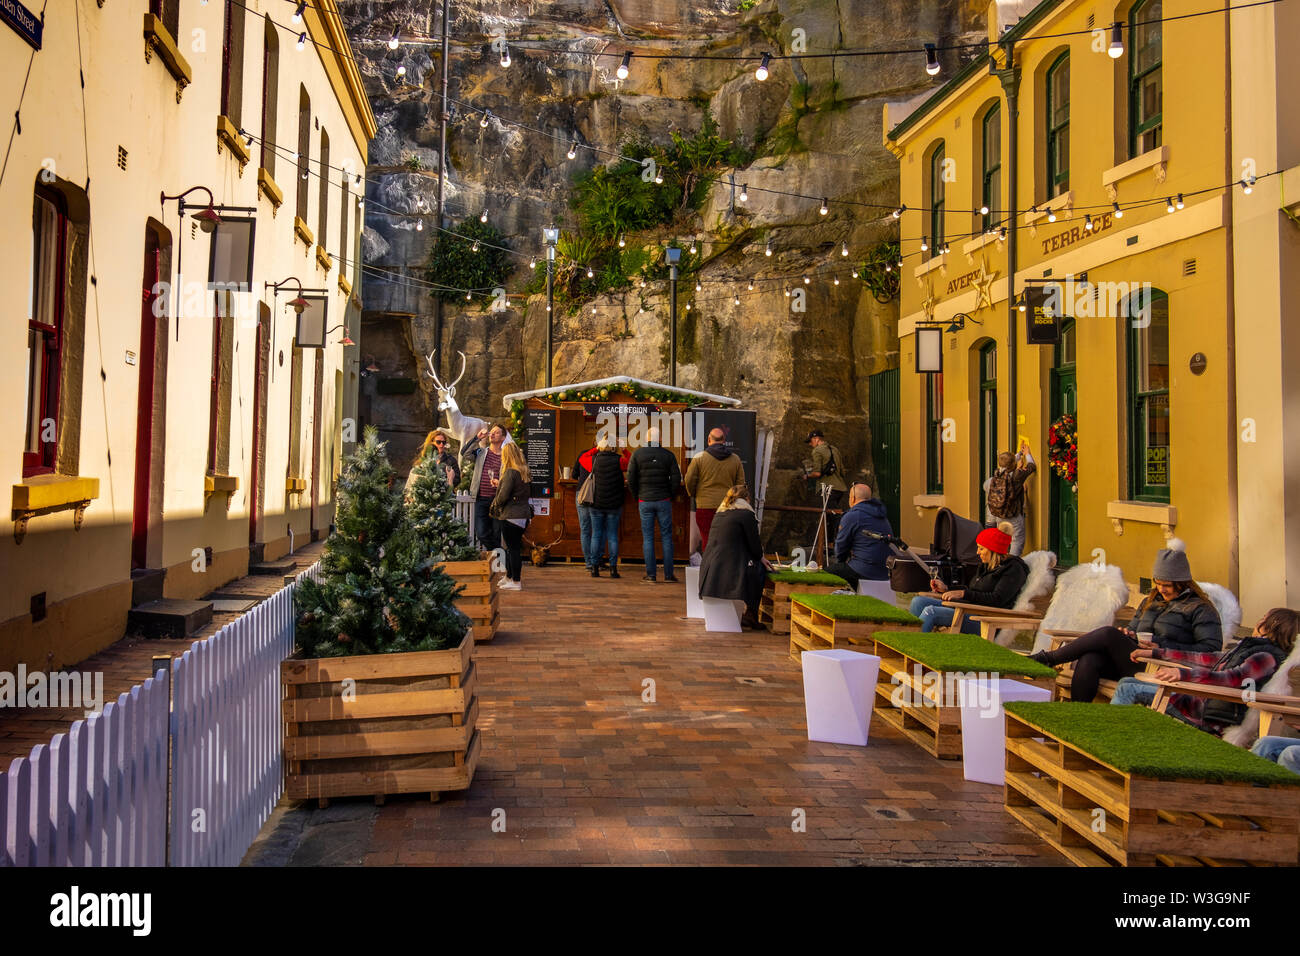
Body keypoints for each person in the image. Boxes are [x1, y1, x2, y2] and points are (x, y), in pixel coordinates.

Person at [1029, 539, 1223, 703]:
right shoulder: (1150, 602)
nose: (1161, 589)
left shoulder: (1200, 609)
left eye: (1168, 585)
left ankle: (1048, 659)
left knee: (1107, 633)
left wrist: (1160, 645)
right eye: (1158, 583)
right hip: (1135, 659)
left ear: (1183, 583)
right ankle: (1079, 719)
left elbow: (1211, 650)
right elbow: (1134, 628)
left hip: (1163, 667)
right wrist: (1128, 633)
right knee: (1090, 659)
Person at [1111, 608, 1299, 731]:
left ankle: (1114, 739)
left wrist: (1184, 675)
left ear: (1270, 626)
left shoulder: (1266, 656)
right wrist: (1158, 653)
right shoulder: (1251, 648)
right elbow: (1207, 659)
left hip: (1206, 712)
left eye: (1262, 618)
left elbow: (1232, 679)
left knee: (1129, 688)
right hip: (1201, 701)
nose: (1258, 622)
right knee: (1127, 682)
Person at [908, 522, 1027, 634]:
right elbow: (972, 591)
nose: (977, 552)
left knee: (931, 612)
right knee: (918, 602)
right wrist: (947, 589)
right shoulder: (986, 566)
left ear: (993, 550)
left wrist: (963, 594)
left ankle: (915, 649)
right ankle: (906, 645)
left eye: (981, 548)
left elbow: (997, 599)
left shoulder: (1013, 570)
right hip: (969, 610)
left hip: (988, 621)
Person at [699, 485, 773, 629]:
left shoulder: (720, 513)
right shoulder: (746, 514)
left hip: (710, 567)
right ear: (747, 499)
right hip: (730, 566)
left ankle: (749, 614)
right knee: (759, 570)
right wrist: (761, 558)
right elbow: (755, 546)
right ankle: (751, 613)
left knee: (754, 566)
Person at [627, 425, 683, 583]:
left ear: (646, 439)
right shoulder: (668, 455)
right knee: (666, 537)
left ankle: (651, 575)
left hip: (645, 500)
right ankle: (668, 575)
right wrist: (670, 495)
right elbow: (676, 478)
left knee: (648, 538)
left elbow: (631, 479)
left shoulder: (637, 454)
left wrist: (637, 495)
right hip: (663, 500)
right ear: (659, 439)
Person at [684, 428, 745, 551]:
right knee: (726, 540)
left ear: (708, 440)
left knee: (707, 539)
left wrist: (694, 494)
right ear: (724, 441)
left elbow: (689, 480)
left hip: (704, 506)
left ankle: (709, 568)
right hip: (727, 506)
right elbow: (740, 485)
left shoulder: (699, 457)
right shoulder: (735, 459)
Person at [826, 483, 893, 591]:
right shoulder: (882, 516)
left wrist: (840, 563)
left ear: (852, 498)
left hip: (865, 570)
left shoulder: (852, 516)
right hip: (884, 571)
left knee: (827, 573)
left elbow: (841, 546)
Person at [489, 442, 532, 591]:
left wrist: (496, 503)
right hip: (522, 515)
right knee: (511, 548)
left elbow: (503, 496)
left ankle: (516, 581)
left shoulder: (510, 472)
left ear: (506, 455)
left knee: (512, 549)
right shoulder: (524, 471)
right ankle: (509, 577)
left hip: (510, 515)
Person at [983, 440, 1037, 556]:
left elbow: (985, 486)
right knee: (1017, 541)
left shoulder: (997, 475)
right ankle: (1012, 565)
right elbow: (1032, 467)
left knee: (1002, 542)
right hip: (1013, 515)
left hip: (999, 515)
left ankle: (999, 564)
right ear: (1014, 464)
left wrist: (1018, 454)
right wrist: (1027, 453)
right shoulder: (1017, 476)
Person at [588, 438, 627, 578]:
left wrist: (596, 448)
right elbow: (630, 462)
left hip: (596, 503)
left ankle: (594, 568)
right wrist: (624, 449)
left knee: (596, 535)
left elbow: (582, 458)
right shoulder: (619, 460)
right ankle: (613, 569)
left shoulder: (594, 460)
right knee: (612, 536)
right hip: (614, 504)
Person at [468, 424, 508, 552]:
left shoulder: (506, 457)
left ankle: (498, 569)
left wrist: (500, 483)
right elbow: (465, 453)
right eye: (492, 432)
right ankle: (505, 556)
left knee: (496, 535)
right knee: (481, 533)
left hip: (497, 501)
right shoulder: (481, 452)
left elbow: (511, 478)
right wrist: (477, 438)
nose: (492, 434)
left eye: (497, 432)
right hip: (481, 499)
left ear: (503, 437)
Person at [806, 429, 849, 544]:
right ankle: (830, 543)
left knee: (832, 517)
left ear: (816, 439)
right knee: (830, 516)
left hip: (827, 488)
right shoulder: (835, 449)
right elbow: (843, 472)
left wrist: (806, 476)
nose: (810, 444)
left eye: (810, 441)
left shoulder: (817, 451)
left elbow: (817, 473)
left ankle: (841, 538)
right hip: (840, 488)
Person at [407, 429, 460, 495]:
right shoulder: (424, 460)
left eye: (443, 442)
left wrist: (442, 482)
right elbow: (413, 481)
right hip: (425, 496)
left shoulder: (451, 460)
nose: (441, 445)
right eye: (438, 442)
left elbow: (457, 479)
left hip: (444, 495)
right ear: (431, 442)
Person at [572, 444, 598, 574]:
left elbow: (574, 474)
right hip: (597, 495)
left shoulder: (584, 453)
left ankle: (588, 562)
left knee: (585, 529)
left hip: (582, 493)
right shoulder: (605, 457)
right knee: (597, 529)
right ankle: (595, 561)